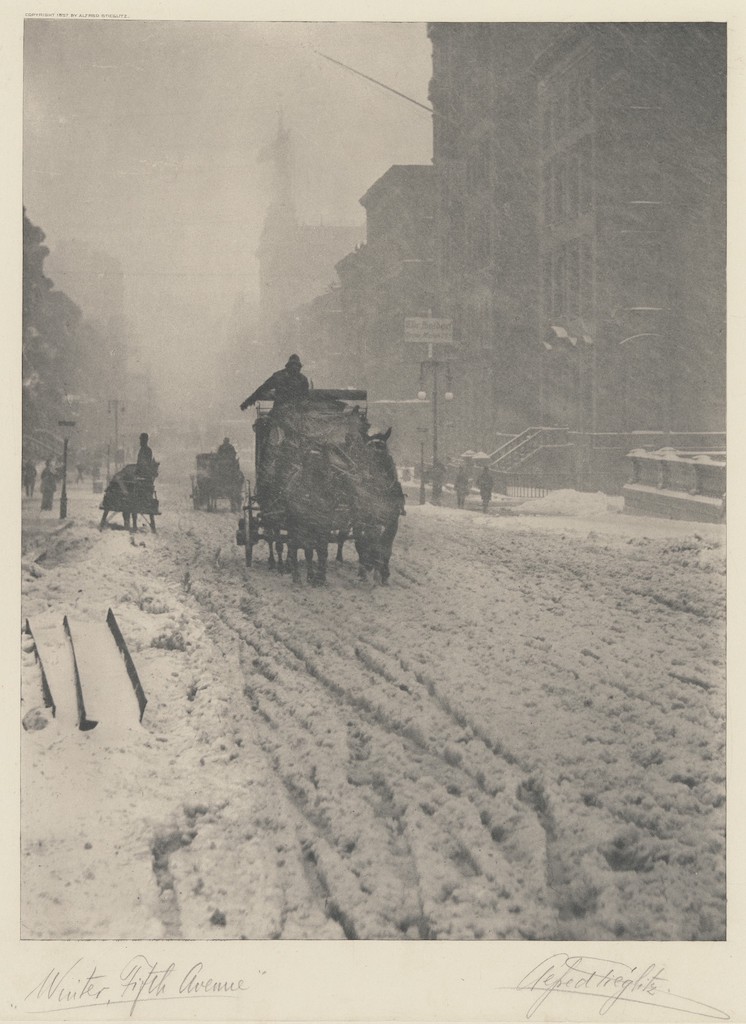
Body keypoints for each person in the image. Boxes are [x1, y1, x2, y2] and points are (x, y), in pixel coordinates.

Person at [240, 354, 310, 411]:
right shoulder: (302, 379)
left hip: (287, 411)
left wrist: (247, 403)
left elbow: (262, 389)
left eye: (296, 366)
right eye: (293, 365)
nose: (294, 368)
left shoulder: (279, 376)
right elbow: (262, 389)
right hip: (288, 411)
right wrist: (247, 403)